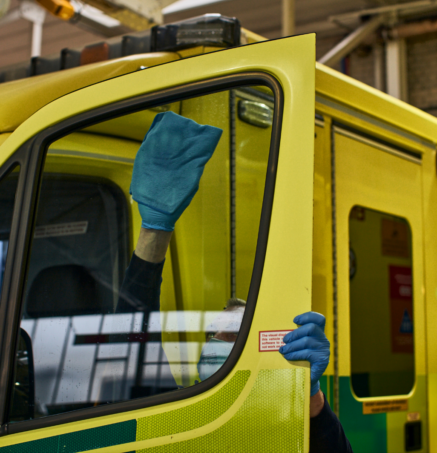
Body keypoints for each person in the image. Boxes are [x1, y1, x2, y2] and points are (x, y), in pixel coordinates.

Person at [118, 111, 353, 453]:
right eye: (215, 332)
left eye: (232, 335)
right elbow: (132, 343)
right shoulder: (175, 411)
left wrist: (312, 396)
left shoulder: (278, 427)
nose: (215, 341)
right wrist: (153, 232)